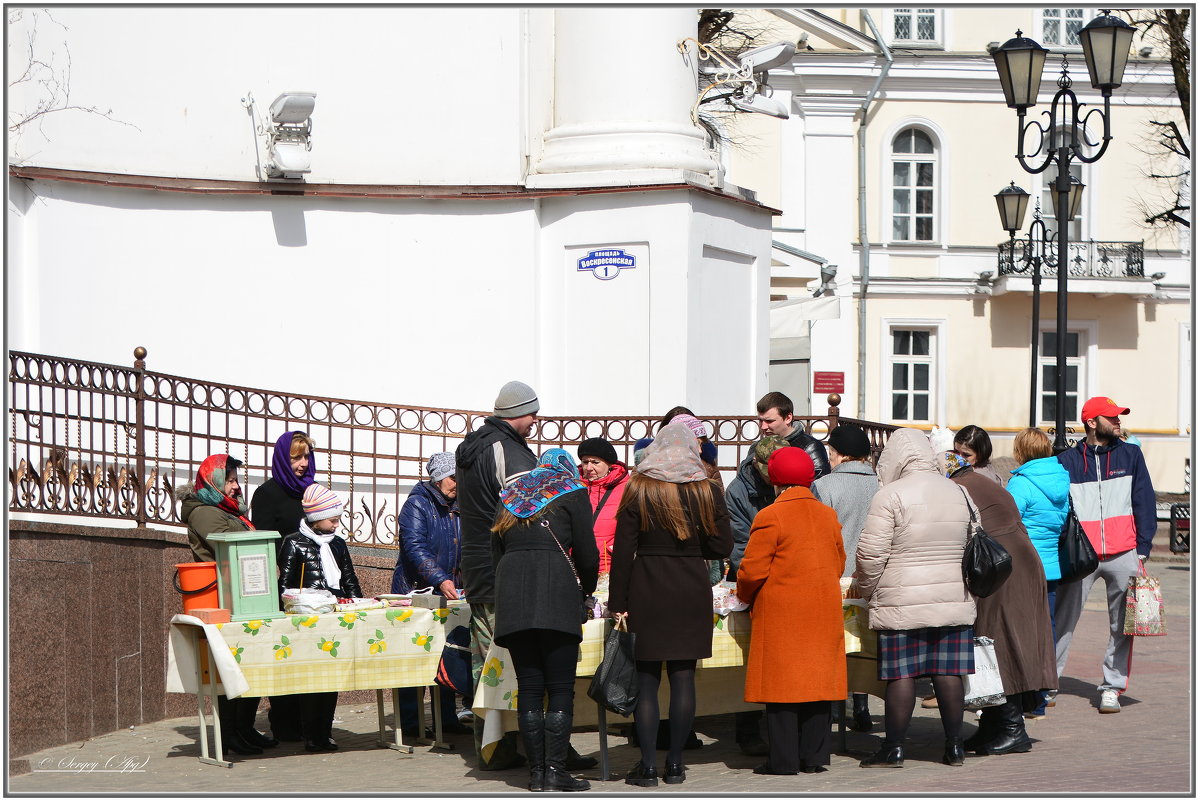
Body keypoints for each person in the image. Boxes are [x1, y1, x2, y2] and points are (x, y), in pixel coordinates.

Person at [456, 381, 595, 771]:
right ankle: (541, 755)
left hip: (483, 570)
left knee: (492, 668)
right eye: (533, 413)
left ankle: (497, 747)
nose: (536, 421)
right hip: (512, 575)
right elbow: (524, 513)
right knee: (533, 678)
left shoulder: (474, 447)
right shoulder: (507, 451)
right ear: (517, 413)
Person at [608, 421, 733, 787]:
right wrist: (694, 548)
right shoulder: (706, 489)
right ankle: (676, 764)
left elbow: (623, 549)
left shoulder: (639, 486)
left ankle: (647, 766)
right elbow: (723, 546)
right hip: (690, 588)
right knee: (683, 678)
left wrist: (618, 599)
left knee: (646, 681)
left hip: (647, 586)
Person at [855, 428, 976, 768]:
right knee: (949, 673)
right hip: (951, 597)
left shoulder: (890, 495)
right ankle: (955, 748)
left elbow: (870, 554)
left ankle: (893, 749)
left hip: (901, 600)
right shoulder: (958, 491)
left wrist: (867, 589)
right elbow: (973, 542)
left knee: (902, 675)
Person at [492, 449, 600, 793]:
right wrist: (588, 588)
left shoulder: (511, 496)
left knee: (530, 687)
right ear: (567, 468)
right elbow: (587, 552)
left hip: (513, 595)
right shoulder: (572, 490)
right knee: (559, 688)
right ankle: (556, 771)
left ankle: (537, 774)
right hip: (556, 593)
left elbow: (495, 551)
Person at [737, 447, 846, 775]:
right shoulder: (827, 515)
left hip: (783, 611)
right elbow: (839, 562)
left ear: (775, 479)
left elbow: (752, 571)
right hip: (822, 608)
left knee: (782, 688)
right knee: (818, 684)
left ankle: (782, 760)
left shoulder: (770, 515)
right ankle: (813, 758)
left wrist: (744, 596)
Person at [944, 452, 1056, 755]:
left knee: (998, 645)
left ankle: (1012, 729)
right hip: (1009, 563)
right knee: (994, 643)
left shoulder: (958, 488)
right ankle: (994, 727)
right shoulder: (975, 480)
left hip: (1001, 568)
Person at [1054, 397, 1157, 714]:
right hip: (1080, 556)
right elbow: (1059, 508)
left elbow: (1144, 501)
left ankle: (1112, 687)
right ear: (1091, 422)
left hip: (1124, 552)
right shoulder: (1066, 460)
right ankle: (1047, 683)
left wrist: (1142, 547)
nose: (1118, 422)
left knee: (1124, 625)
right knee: (1061, 621)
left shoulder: (1131, 455)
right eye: (1111, 417)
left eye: (1119, 417)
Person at [178, 454, 278, 756]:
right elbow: (233, 548)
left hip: (242, 597)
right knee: (230, 670)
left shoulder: (224, 508)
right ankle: (230, 732)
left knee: (246, 667)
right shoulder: (206, 512)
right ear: (215, 482)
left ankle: (243, 728)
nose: (236, 487)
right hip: (224, 599)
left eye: (236, 480)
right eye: (230, 480)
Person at [277, 484, 363, 752]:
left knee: (331, 679)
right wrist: (298, 603)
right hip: (307, 620)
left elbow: (348, 578)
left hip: (335, 616)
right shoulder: (294, 542)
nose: (337, 524)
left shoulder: (337, 544)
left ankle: (325, 731)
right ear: (315, 518)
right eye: (333, 519)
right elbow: (285, 585)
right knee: (311, 679)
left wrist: (358, 602)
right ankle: (310, 733)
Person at [391, 452, 471, 736]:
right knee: (412, 656)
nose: (457, 484)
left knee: (446, 653)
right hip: (414, 591)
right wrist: (440, 578)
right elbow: (414, 548)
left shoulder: (461, 505)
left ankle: (446, 718)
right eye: (452, 478)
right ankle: (411, 722)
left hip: (450, 593)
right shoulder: (417, 504)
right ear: (438, 478)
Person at [810, 423, 880, 733]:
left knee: (835, 644)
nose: (830, 457)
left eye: (831, 452)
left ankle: (834, 706)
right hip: (872, 577)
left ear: (842, 454)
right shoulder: (882, 485)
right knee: (864, 644)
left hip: (836, 576)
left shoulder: (824, 487)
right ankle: (861, 707)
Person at [250, 430, 316, 743]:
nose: (303, 463)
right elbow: (261, 548)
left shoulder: (314, 493)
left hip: (319, 592)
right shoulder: (266, 494)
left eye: (306, 456)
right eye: (296, 457)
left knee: (313, 658)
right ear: (282, 459)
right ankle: (286, 723)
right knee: (286, 658)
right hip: (285, 591)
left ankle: (315, 725)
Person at [1006, 427, 1070, 718]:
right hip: (1051, 566)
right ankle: (1043, 698)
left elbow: (1005, 521)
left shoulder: (1021, 483)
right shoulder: (1061, 479)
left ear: (1022, 451)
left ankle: (1025, 696)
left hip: (1023, 567)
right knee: (1047, 631)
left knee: (1020, 631)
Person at [576, 437, 630, 574]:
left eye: (595, 462)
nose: (589, 468)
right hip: (574, 566)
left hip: (609, 568)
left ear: (609, 464)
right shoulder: (573, 485)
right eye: (585, 462)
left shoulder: (626, 488)